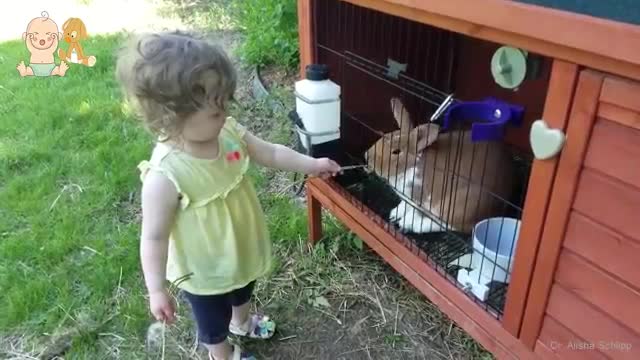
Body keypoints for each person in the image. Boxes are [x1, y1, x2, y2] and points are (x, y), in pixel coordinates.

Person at [115, 30, 341, 360]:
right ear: (172, 115)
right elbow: (153, 238)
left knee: (243, 289)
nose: (224, 112)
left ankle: (242, 321)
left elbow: (272, 154)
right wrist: (156, 289)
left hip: (240, 249)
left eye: (225, 103)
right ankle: (221, 354)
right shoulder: (165, 176)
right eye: (215, 109)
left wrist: (313, 163)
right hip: (204, 272)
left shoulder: (229, 132)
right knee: (211, 323)